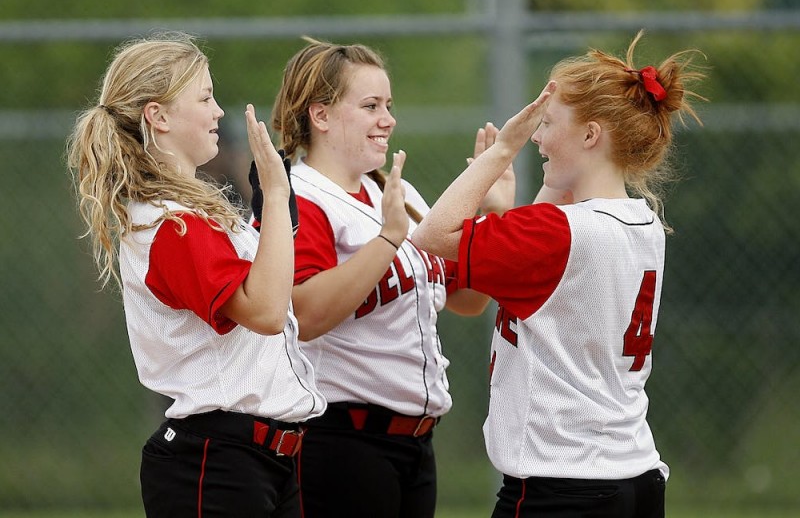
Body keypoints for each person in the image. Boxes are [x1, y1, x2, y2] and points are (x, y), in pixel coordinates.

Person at [411, 31, 704, 518]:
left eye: (545, 124)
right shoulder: (643, 222)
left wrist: (501, 151)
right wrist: (512, 206)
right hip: (635, 477)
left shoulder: (558, 234)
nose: (537, 138)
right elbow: (549, 262)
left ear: (591, 135)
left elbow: (432, 236)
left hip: (562, 487)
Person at [66, 32, 326, 517]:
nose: (218, 111)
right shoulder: (173, 224)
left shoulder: (191, 214)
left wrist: (272, 218)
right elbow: (267, 313)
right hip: (218, 462)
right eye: (205, 97)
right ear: (158, 116)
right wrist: (272, 197)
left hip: (259, 460)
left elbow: (268, 298)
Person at [252, 37, 511, 518]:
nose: (387, 119)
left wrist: (493, 217)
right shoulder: (300, 197)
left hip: (415, 444)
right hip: (340, 442)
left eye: (388, 105)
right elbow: (302, 314)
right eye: (370, 106)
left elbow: (467, 299)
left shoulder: (397, 192)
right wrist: (388, 240)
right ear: (321, 115)